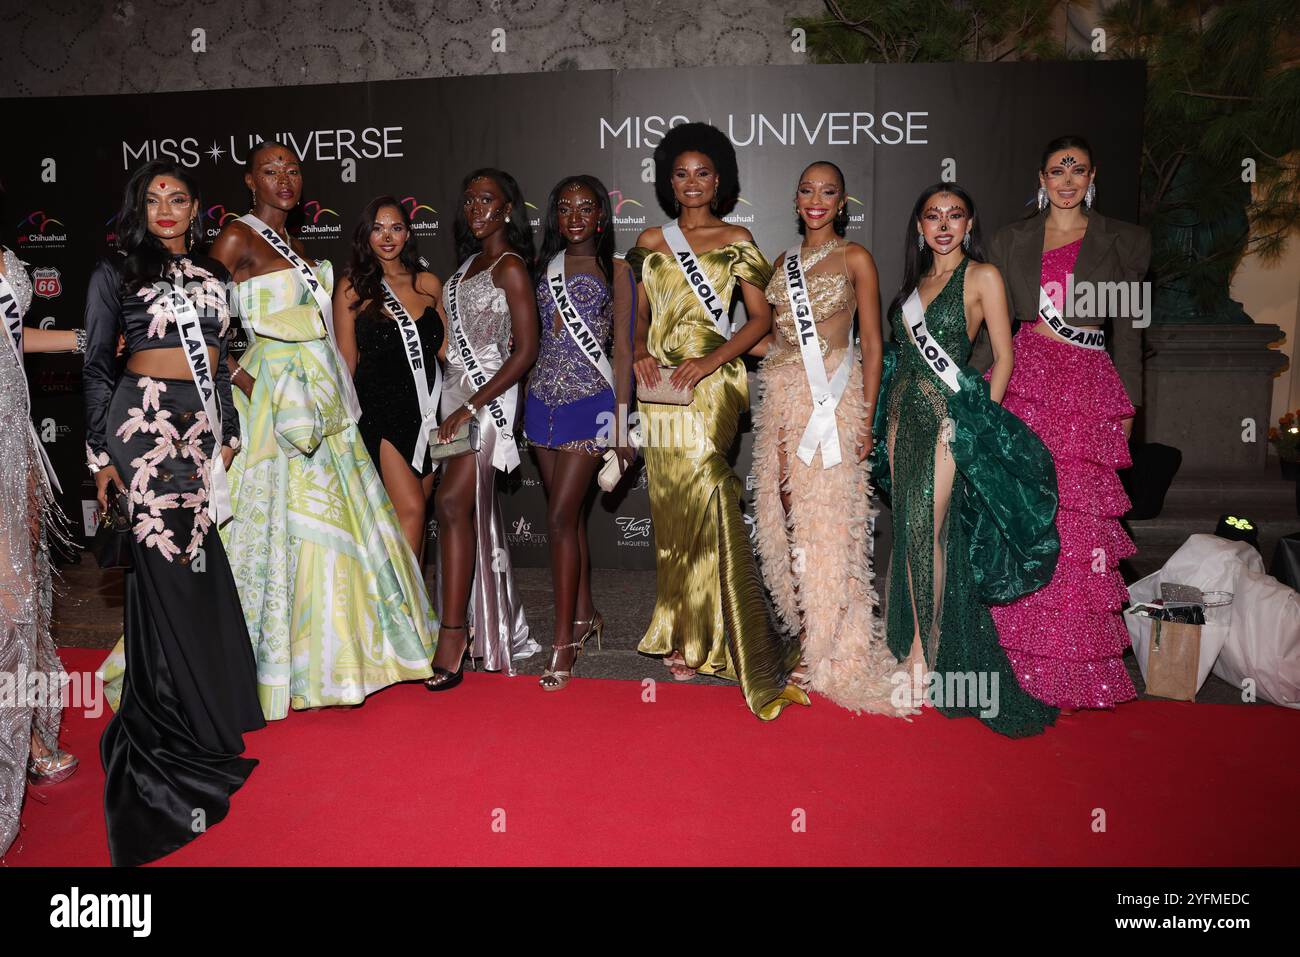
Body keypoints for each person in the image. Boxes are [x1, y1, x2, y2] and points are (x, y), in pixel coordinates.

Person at [211, 142, 435, 718]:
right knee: (279, 522)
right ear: (249, 181)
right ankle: (274, 662)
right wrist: (244, 378)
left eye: (291, 168)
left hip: (320, 395)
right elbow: (199, 324)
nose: (284, 178)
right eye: (270, 170)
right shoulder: (235, 238)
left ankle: (338, 655)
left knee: (331, 518)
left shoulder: (300, 244)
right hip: (273, 398)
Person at [84, 161, 264, 865]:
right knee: (165, 568)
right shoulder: (114, 272)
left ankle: (196, 706)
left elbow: (221, 359)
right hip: (143, 431)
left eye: (177, 198)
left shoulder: (216, 277)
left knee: (191, 566)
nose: (165, 208)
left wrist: (231, 434)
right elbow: (98, 365)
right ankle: (174, 729)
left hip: (201, 433)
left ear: (195, 209)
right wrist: (100, 460)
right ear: (140, 207)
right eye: (152, 198)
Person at [628, 122, 806, 721]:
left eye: (703, 172)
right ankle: (681, 631)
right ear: (668, 181)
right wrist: (637, 354)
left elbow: (759, 321)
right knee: (671, 506)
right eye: (681, 173)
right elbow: (635, 316)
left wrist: (711, 359)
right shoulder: (652, 240)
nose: (693, 182)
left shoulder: (737, 238)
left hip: (714, 380)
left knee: (708, 493)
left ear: (720, 179)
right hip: (660, 387)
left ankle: (725, 634)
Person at [874, 182, 1060, 737]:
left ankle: (922, 659)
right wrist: (886, 423)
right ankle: (907, 643)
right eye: (933, 215)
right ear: (919, 227)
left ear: (970, 223)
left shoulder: (983, 277)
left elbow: (1003, 358)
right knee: (909, 531)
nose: (944, 224)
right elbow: (901, 364)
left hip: (950, 421)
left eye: (955, 215)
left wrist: (975, 425)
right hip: (903, 417)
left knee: (923, 527)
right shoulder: (915, 284)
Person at [986, 135, 1149, 711]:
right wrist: (979, 399)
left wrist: (1127, 407)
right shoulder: (1010, 239)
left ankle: (1071, 667)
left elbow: (1130, 331)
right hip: (1027, 379)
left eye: (1078, 168)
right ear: (1041, 176)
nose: (1068, 178)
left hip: (1086, 384)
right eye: (1058, 168)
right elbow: (993, 328)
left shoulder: (1125, 241)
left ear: (1093, 175)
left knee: (1077, 523)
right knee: (1025, 517)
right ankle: (1014, 659)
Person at [751, 161, 906, 716]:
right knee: (786, 510)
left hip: (832, 398)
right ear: (796, 199)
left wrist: (866, 418)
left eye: (829, 192)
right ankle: (805, 629)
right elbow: (772, 340)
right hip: (782, 398)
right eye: (807, 190)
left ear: (844, 202)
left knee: (828, 520)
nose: (817, 200)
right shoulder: (781, 263)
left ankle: (831, 646)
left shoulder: (855, 257)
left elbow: (872, 341)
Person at [425, 168, 540, 690]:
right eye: (469, 200)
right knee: (464, 512)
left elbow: (525, 350)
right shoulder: (467, 266)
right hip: (454, 397)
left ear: (508, 208)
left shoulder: (511, 266)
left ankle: (454, 633)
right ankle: (483, 625)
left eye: (487, 200)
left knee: (452, 505)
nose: (476, 209)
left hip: (488, 404)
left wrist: (472, 404)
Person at [524, 175, 635, 691]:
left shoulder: (617, 270)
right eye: (564, 207)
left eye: (585, 208)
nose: (574, 216)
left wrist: (619, 424)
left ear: (601, 218)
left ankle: (563, 643)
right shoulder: (538, 270)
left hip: (591, 406)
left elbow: (624, 353)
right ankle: (586, 614)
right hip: (541, 405)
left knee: (562, 516)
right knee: (567, 520)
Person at [0, 235, 83, 859]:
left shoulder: (7, 258)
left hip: (14, 432)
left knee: (24, 594)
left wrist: (81, 339)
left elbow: (11, 342)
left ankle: (24, 735)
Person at [335, 195, 446, 558]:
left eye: (396, 228)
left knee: (409, 518)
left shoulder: (428, 284)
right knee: (412, 511)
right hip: (380, 414)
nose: (387, 236)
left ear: (408, 233)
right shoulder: (352, 287)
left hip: (428, 414)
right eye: (378, 228)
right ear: (366, 235)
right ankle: (409, 614)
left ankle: (394, 604)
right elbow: (346, 363)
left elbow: (447, 352)